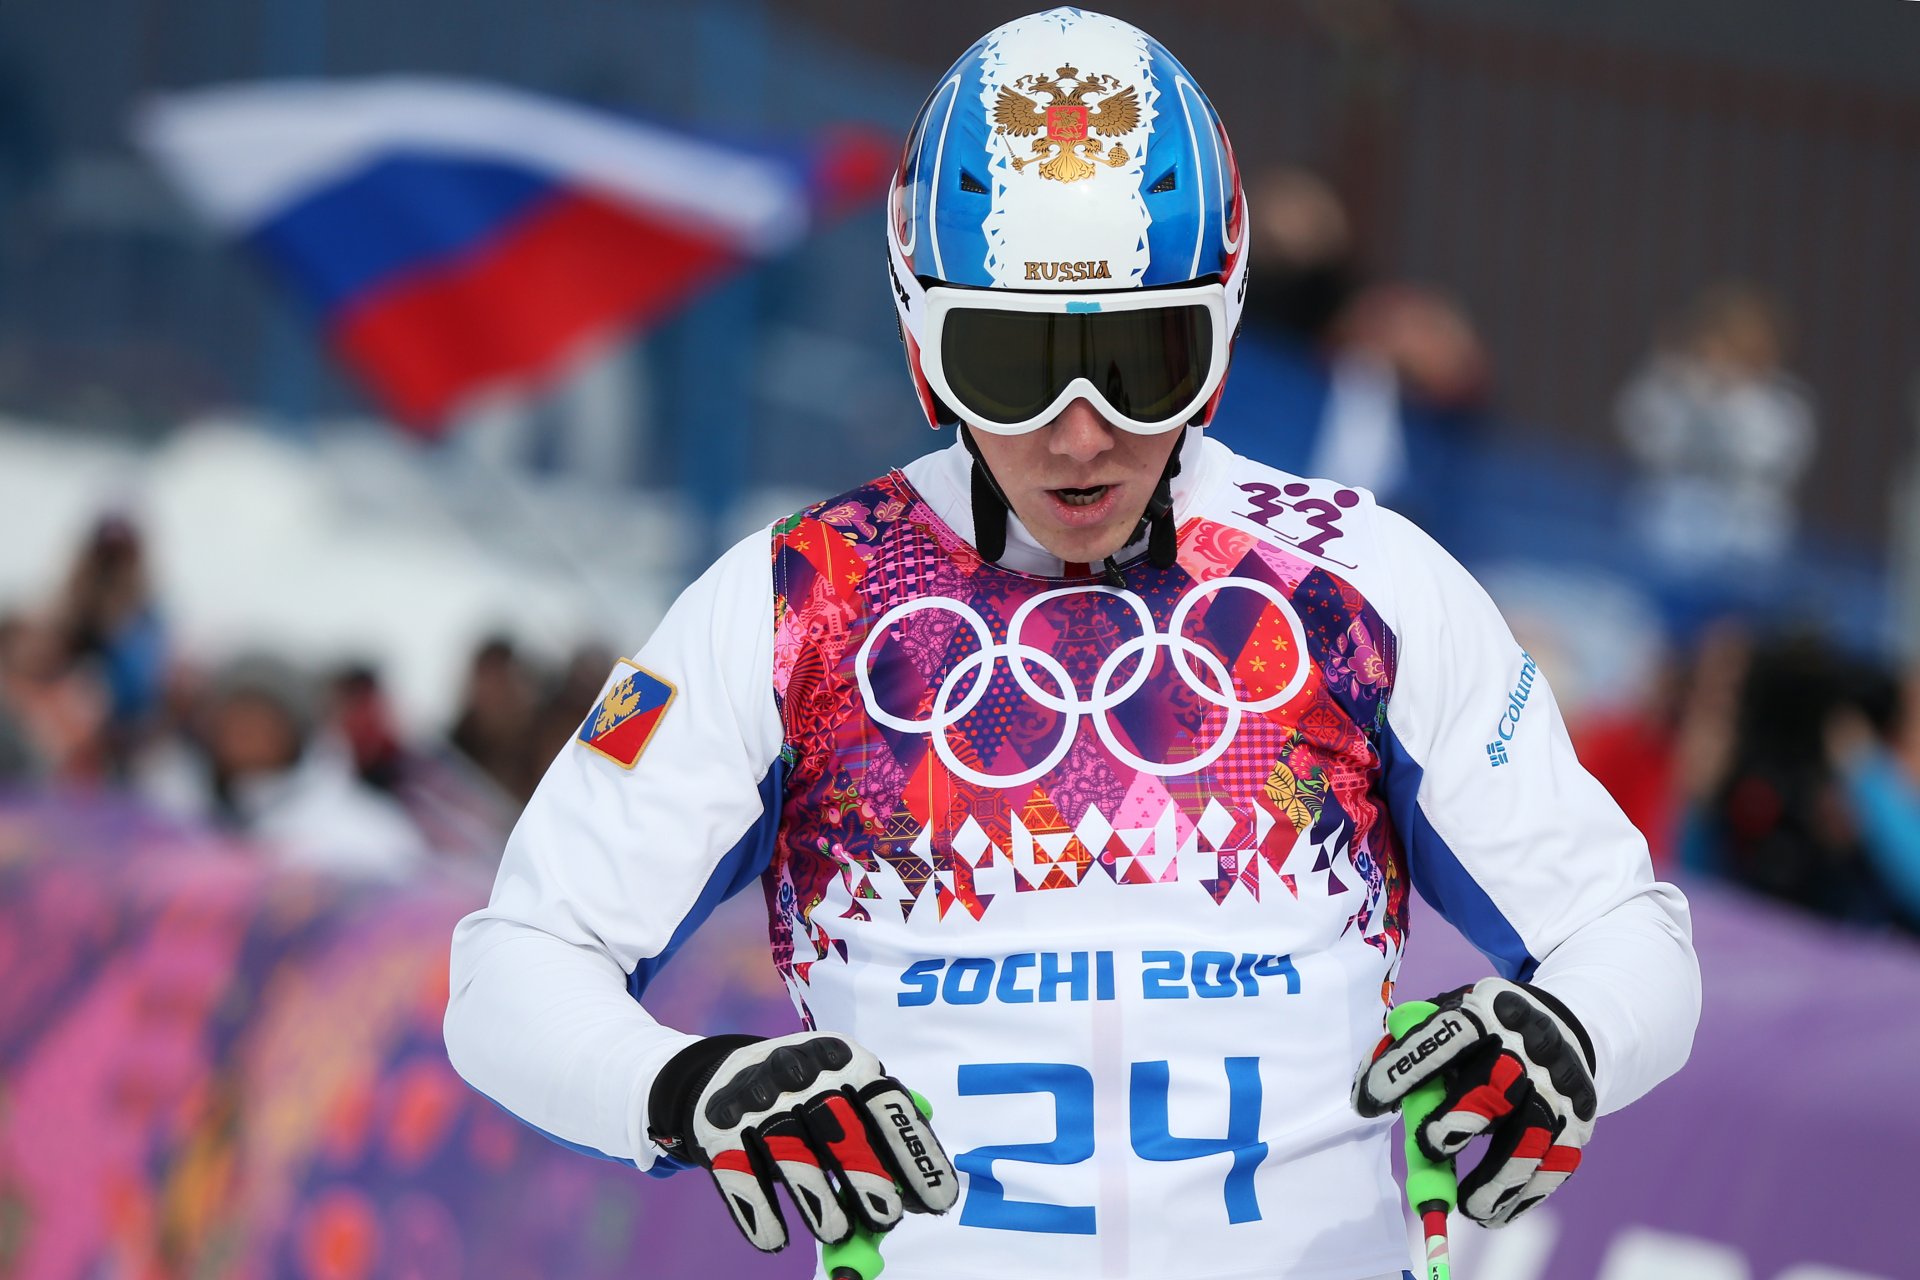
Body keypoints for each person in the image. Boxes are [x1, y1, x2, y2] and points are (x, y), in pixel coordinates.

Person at [444, 11, 1698, 1279]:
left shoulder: (1365, 583)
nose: (1080, 433)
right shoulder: (790, 604)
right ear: (922, 340)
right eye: (1015, 359)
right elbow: (513, 970)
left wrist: (1569, 1030)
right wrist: (687, 1087)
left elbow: (1632, 929)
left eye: (1141, 356)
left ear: (1220, 335)